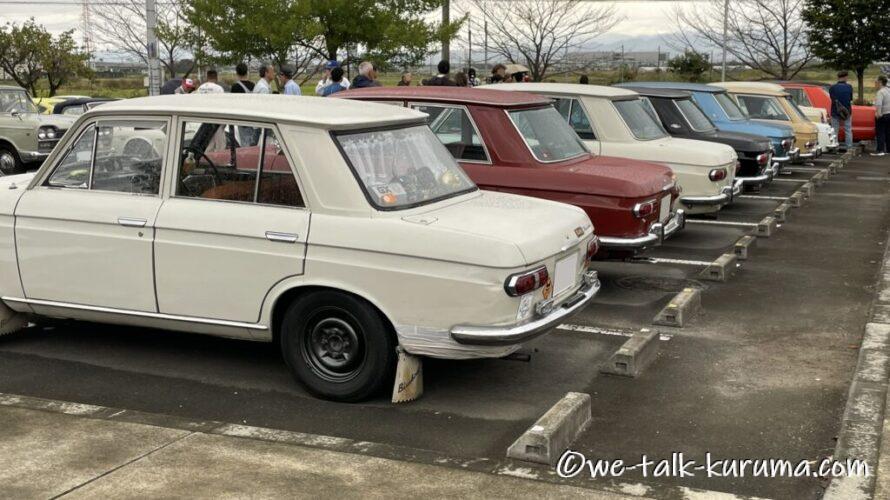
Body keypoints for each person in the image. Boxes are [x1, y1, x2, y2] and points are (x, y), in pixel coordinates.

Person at [829, 71, 855, 151]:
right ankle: (849, 147)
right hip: (847, 111)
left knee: (834, 130)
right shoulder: (849, 87)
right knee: (848, 130)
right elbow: (850, 99)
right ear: (845, 77)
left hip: (835, 111)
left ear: (838, 77)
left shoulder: (832, 88)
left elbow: (832, 99)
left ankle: (835, 147)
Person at [873, 75, 890, 156]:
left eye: (876, 82)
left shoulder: (880, 92)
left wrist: (878, 113)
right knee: (888, 133)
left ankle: (880, 150)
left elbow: (879, 104)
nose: (875, 84)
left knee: (880, 133)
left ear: (880, 82)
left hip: (882, 114)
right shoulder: (888, 90)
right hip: (889, 114)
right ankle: (888, 150)